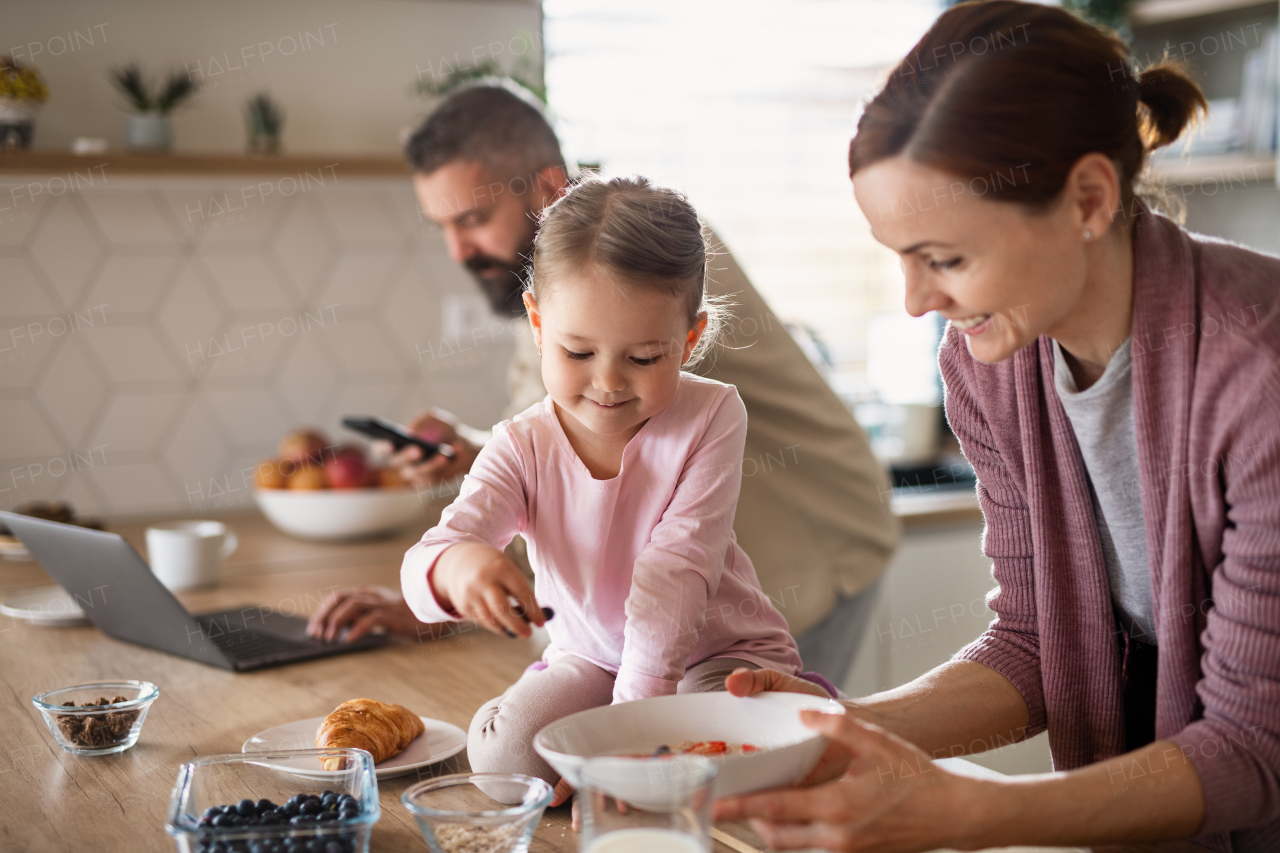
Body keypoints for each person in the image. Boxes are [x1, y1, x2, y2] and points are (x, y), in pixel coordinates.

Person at [713, 2, 1280, 851]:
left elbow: (1252, 747)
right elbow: (1035, 645)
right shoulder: (992, 369)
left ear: (1088, 198)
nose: (914, 302)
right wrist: (831, 728)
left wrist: (965, 811)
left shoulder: (1258, 375)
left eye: (944, 258)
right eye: (897, 256)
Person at [308, 80, 899, 684]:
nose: (459, 249)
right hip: (681, 584)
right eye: (444, 226)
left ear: (545, 189)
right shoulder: (558, 280)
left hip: (808, 544)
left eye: (475, 219)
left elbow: (618, 439)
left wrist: (441, 608)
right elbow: (568, 440)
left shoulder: (642, 260)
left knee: (745, 761)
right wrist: (459, 530)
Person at [401, 175, 814, 805]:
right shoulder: (519, 443)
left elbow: (675, 575)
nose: (608, 382)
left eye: (645, 358)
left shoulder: (712, 416)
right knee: (502, 762)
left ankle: (791, 705)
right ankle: (572, 711)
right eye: (577, 351)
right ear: (538, 323)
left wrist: (626, 736)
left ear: (690, 340)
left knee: (709, 762)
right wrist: (456, 569)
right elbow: (432, 557)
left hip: (715, 655)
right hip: (591, 657)